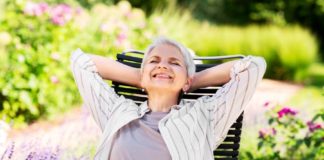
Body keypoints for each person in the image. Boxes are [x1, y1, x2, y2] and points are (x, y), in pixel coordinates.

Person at [70, 37, 266, 160]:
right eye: (154, 61)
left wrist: (191, 81)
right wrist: (142, 78)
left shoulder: (204, 117)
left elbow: (254, 67)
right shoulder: (117, 112)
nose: (163, 66)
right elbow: (81, 63)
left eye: (174, 63)